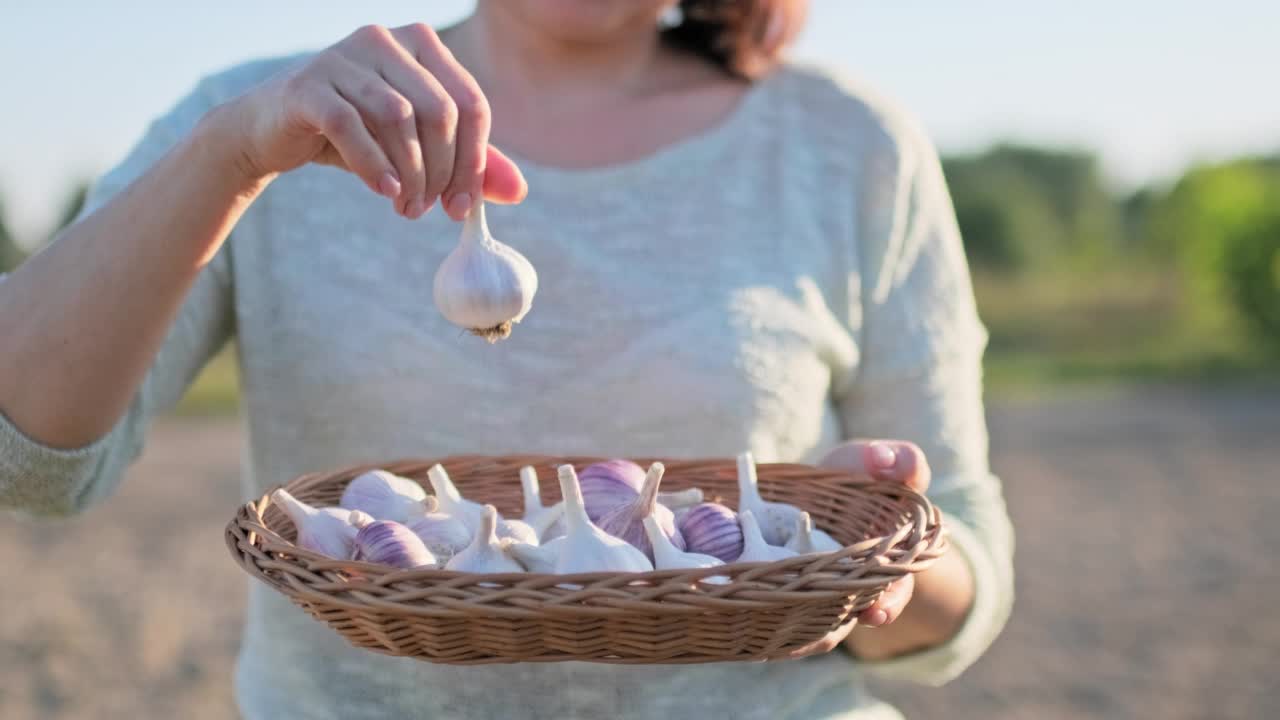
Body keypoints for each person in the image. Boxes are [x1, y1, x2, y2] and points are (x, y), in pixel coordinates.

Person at [0, 1, 1014, 718]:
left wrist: (854, 562)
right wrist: (230, 156)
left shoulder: (848, 145)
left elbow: (963, 577)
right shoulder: (265, 123)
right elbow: (31, 462)